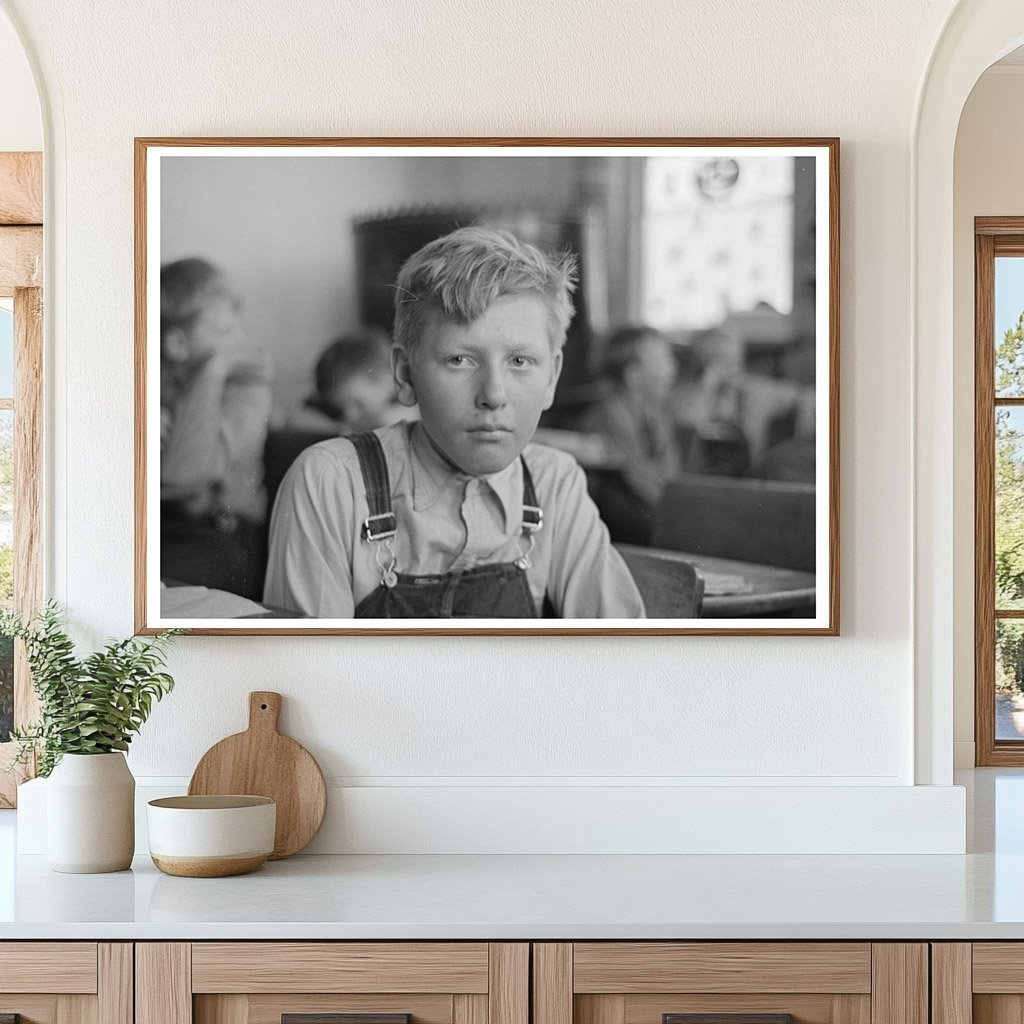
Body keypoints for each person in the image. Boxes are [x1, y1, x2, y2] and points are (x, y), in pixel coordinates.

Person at [264, 226, 644, 619]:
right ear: (406, 376)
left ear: (551, 378)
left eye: (519, 361)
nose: (493, 395)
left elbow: (623, 655)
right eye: (460, 360)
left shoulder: (553, 483)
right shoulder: (332, 482)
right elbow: (305, 672)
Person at [160, 258, 274, 601]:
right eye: (226, 332)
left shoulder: (246, 391)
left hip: (223, 537)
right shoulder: (158, 389)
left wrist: (214, 369)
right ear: (177, 345)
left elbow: (185, 476)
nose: (241, 341)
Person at [580, 326, 681, 545]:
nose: (672, 370)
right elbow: (640, 482)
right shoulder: (610, 414)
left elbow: (670, 475)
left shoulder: (654, 415)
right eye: (664, 361)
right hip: (622, 527)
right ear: (633, 376)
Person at [287, 327, 411, 435]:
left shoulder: (407, 405)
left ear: (386, 379)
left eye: (358, 403)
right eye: (339, 407)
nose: (349, 415)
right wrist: (338, 429)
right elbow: (296, 419)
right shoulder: (338, 413)